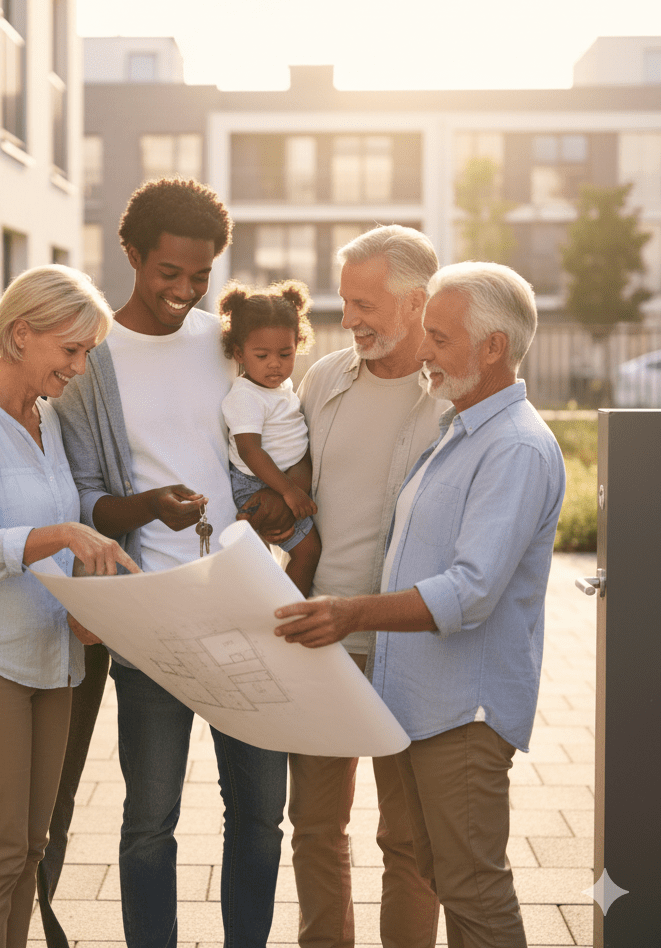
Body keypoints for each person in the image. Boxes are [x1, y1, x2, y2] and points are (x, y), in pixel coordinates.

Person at [274, 262, 566, 948]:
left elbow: (470, 590)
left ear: (492, 348)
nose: (424, 352)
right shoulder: (463, 430)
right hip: (424, 704)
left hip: (462, 712)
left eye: (439, 337)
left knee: (475, 892)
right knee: (450, 879)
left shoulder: (514, 447)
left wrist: (350, 613)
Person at [54, 177, 288, 948]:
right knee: (149, 819)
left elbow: (270, 437)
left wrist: (281, 506)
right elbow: (88, 499)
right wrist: (151, 504)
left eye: (201, 276)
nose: (185, 292)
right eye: (168, 274)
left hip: (245, 606)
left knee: (259, 813)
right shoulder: (93, 360)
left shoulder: (224, 341)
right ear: (130, 254)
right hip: (153, 620)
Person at [0, 265, 138, 948]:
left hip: (51, 655)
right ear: (20, 334)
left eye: (87, 354)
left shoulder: (46, 419)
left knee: (31, 848)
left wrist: (85, 603)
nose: (78, 367)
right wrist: (66, 536)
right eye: (70, 350)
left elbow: (53, 525)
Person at [240, 225, 445, 948]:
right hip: (323, 639)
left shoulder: (453, 396)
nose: (349, 317)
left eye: (365, 303)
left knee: (411, 840)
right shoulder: (324, 379)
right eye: (345, 300)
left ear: (417, 301)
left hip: (414, 647)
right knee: (317, 829)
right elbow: (298, 488)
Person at [217, 278, 322, 595]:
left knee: (306, 552)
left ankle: (287, 617)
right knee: (258, 563)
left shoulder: (281, 388)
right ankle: (277, 620)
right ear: (239, 353)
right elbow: (250, 451)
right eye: (262, 356)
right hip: (257, 483)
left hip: (285, 481)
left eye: (285, 354)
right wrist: (289, 491)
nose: (275, 364)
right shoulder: (246, 396)